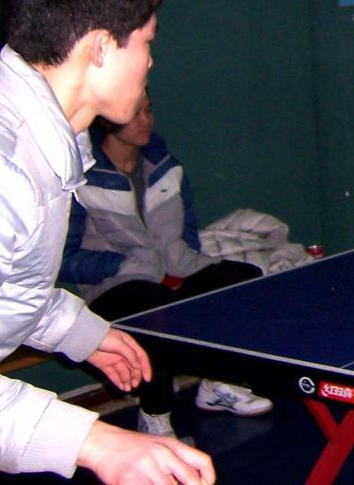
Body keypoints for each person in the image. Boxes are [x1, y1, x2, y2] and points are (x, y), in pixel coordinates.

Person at [0, 0, 214, 484]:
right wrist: (94, 440)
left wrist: (82, 334)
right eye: (147, 42)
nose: (150, 62)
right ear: (102, 47)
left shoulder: (43, 146)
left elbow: (3, 291)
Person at [61, 91, 272, 440]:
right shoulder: (82, 179)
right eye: (136, 113)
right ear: (108, 120)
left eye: (149, 111)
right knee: (157, 313)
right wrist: (124, 264)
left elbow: (186, 232)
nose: (147, 121)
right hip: (114, 285)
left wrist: (183, 261)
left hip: (172, 272)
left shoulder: (167, 168)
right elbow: (64, 258)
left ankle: (219, 383)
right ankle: (155, 417)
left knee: (243, 279)